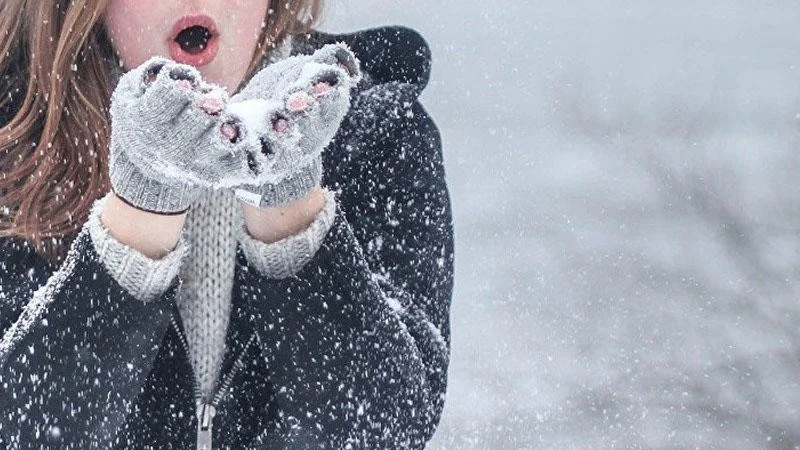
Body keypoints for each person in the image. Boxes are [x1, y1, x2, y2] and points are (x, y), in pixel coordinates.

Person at [0, 1, 454, 449]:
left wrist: (290, 206)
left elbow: (388, 426)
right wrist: (141, 209)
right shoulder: (13, 143)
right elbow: (24, 430)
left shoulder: (377, 134)